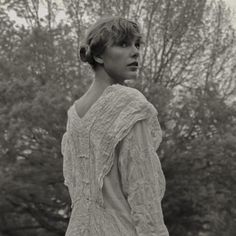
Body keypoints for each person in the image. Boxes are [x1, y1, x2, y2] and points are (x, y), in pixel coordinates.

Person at [61, 16, 169, 236]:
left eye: (137, 44)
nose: (135, 52)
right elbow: (143, 193)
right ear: (99, 55)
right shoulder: (129, 104)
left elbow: (76, 191)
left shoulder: (74, 113)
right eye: (123, 44)